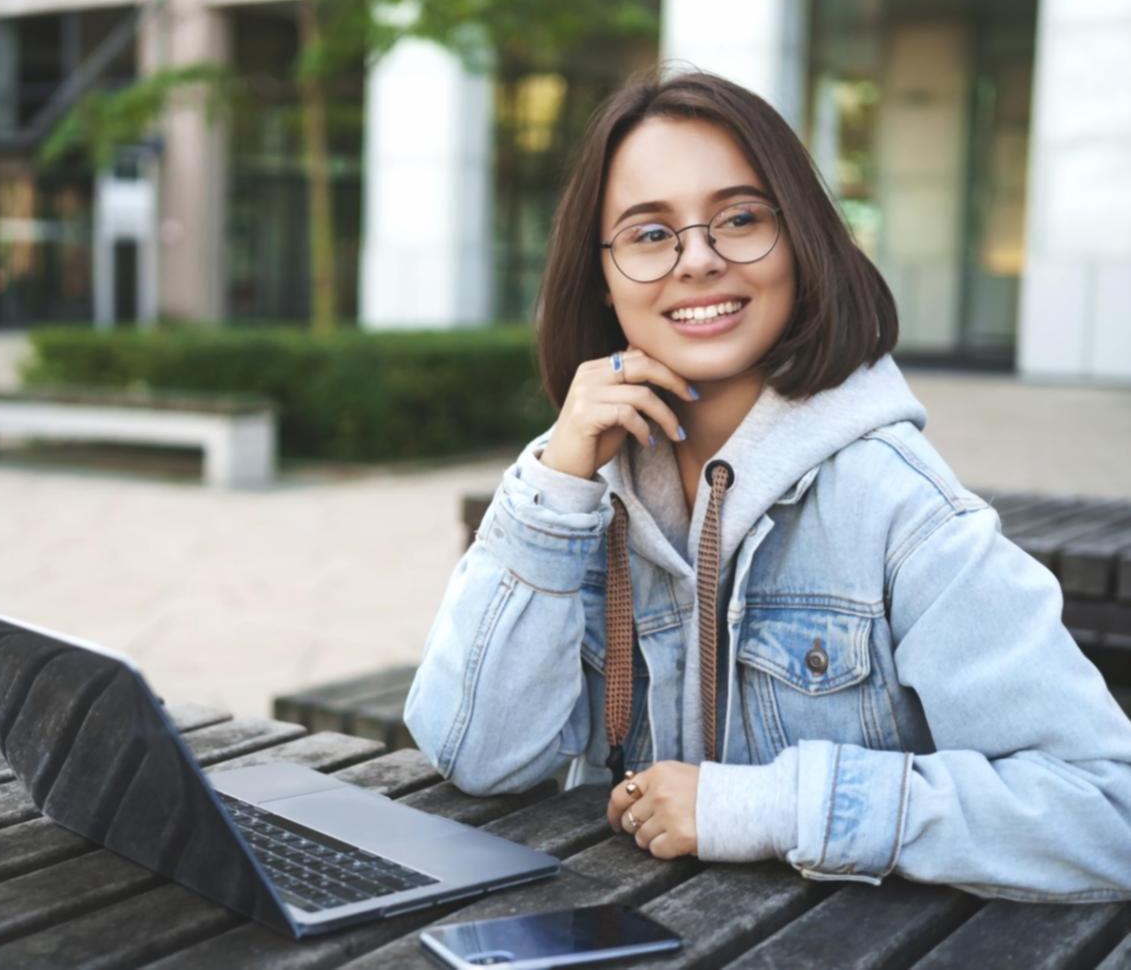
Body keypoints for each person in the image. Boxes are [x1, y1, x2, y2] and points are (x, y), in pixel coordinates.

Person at [402, 68, 1131, 901]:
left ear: (801, 240)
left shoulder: (896, 506)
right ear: (600, 278)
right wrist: (554, 482)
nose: (700, 260)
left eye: (740, 219)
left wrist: (766, 806)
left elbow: (1107, 812)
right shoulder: (576, 486)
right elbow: (476, 758)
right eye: (648, 234)